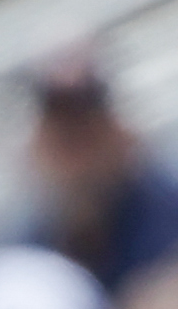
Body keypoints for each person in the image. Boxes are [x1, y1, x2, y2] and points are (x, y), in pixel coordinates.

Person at [19, 58, 178, 302]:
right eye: (64, 139)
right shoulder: (27, 249)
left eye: (87, 134)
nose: (77, 159)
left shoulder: (167, 211)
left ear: (118, 132)